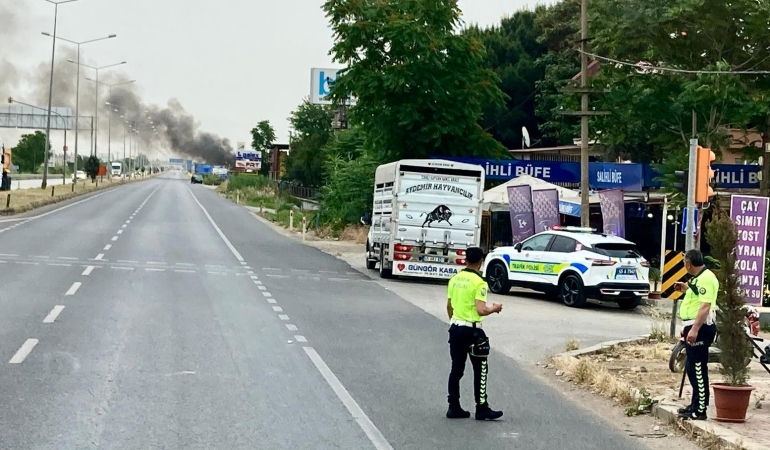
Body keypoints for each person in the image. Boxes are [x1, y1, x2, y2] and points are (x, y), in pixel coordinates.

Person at [445, 246, 504, 421]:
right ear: (481, 262)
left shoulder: (455, 279)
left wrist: (454, 321)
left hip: (455, 328)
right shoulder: (480, 283)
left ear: (465, 260)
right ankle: (482, 407)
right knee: (481, 368)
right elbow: (481, 310)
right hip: (472, 331)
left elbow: (449, 306)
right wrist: (494, 308)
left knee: (456, 369)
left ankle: (453, 406)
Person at [675, 249, 719, 421]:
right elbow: (697, 295)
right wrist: (686, 288)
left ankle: (700, 409)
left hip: (700, 329)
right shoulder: (699, 278)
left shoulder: (707, 279)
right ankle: (694, 405)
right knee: (692, 368)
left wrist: (693, 329)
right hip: (692, 326)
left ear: (688, 263)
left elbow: (705, 306)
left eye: (684, 262)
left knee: (698, 369)